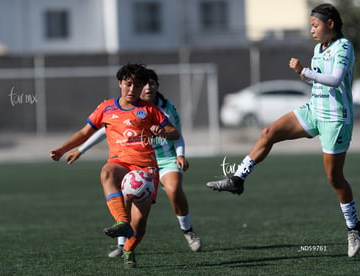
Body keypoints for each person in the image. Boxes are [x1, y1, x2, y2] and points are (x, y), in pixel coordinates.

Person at [206, 3, 360, 258]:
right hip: (315, 110)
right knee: (269, 133)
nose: (311, 30)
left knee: (334, 178)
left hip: (335, 118)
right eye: (310, 25)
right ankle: (238, 179)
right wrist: (307, 77)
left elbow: (334, 79)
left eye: (315, 25)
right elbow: (319, 79)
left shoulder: (343, 46)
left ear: (330, 24)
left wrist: (304, 71)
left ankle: (354, 228)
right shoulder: (317, 48)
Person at [50, 63, 180, 268]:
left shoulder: (150, 110)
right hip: (120, 162)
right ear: (120, 83)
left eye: (137, 86)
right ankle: (121, 221)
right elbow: (85, 133)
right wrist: (62, 149)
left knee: (140, 223)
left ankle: (129, 249)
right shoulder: (106, 108)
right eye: (128, 84)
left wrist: (163, 131)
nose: (132, 90)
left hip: (145, 169)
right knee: (107, 171)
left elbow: (175, 133)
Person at [70, 69, 202, 257]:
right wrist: (81, 149)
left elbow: (177, 134)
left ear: (157, 86)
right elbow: (104, 129)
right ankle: (122, 245)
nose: (147, 87)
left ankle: (187, 231)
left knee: (173, 190)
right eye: (143, 84)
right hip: (135, 160)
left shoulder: (166, 108)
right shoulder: (126, 107)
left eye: (151, 83)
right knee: (126, 196)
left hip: (164, 159)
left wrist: (180, 155)